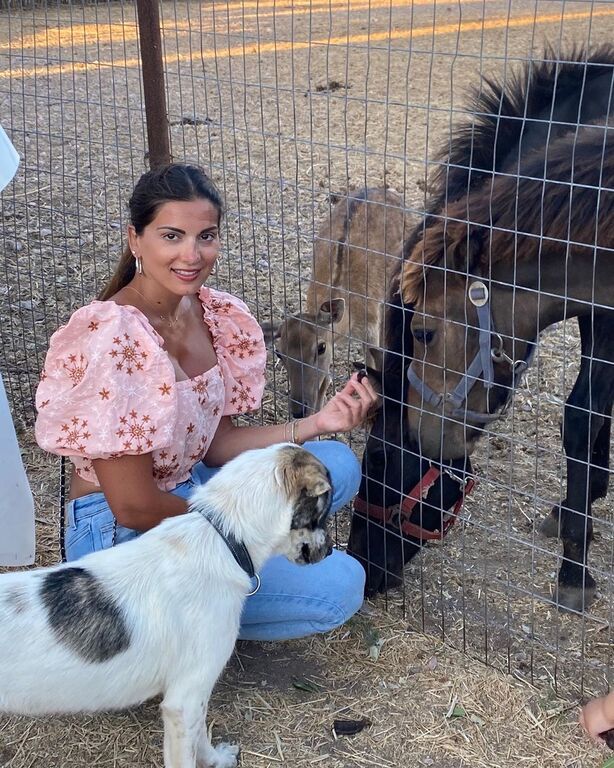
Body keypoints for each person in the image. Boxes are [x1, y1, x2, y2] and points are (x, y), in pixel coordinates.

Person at [35, 162, 377, 642]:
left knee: (334, 462)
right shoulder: (113, 339)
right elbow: (133, 506)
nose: (191, 255)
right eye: (171, 236)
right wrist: (252, 533)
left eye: (206, 236)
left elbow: (218, 446)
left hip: (189, 487)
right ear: (136, 239)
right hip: (124, 539)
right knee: (338, 586)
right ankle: (167, 630)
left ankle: (222, 593)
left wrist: (321, 421)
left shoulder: (213, 314)